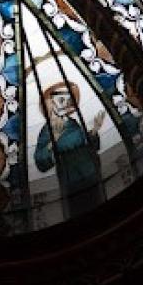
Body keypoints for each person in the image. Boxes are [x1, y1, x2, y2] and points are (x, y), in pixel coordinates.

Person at [34, 81, 107, 219]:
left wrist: (94, 130)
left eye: (68, 99)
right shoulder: (46, 131)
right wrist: (54, 139)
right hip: (71, 178)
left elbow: (86, 142)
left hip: (90, 171)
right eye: (61, 99)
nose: (65, 103)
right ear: (50, 102)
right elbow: (40, 160)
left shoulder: (72, 122)